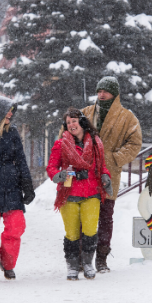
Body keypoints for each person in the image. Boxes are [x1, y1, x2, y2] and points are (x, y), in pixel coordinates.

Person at [81, 76, 142, 272]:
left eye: (105, 91)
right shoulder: (85, 113)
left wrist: (114, 159)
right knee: (85, 215)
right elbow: (66, 133)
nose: (101, 94)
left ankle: (101, 258)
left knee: (106, 216)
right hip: (86, 173)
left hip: (110, 173)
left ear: (114, 93)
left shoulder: (127, 118)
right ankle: (84, 256)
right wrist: (77, 155)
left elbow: (135, 143)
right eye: (99, 90)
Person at [47, 109, 113, 280]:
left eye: (74, 121)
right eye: (68, 123)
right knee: (72, 233)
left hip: (92, 193)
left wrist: (106, 176)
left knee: (90, 231)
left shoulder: (96, 143)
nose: (71, 125)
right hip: (69, 194)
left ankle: (88, 263)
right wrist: (58, 175)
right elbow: (51, 167)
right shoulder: (60, 144)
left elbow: (102, 166)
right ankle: (72, 265)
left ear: (82, 122)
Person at [0, 95, 35, 284]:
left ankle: (8, 263)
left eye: (12, 110)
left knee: (16, 227)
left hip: (12, 187)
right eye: (8, 110)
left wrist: (27, 184)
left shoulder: (13, 133)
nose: (11, 114)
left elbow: (21, 160)